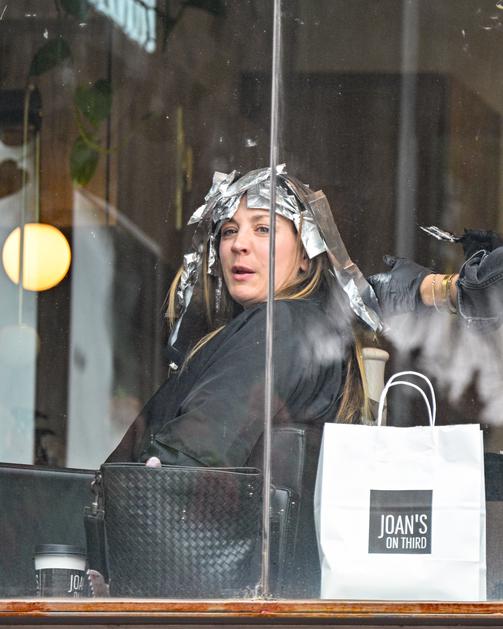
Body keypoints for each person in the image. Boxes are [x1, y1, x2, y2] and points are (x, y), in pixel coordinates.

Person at [107, 165, 383, 597]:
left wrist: (141, 494)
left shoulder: (281, 325)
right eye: (229, 231)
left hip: (205, 594)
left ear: (306, 254)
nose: (239, 244)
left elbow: (189, 460)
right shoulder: (293, 328)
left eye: (264, 228)